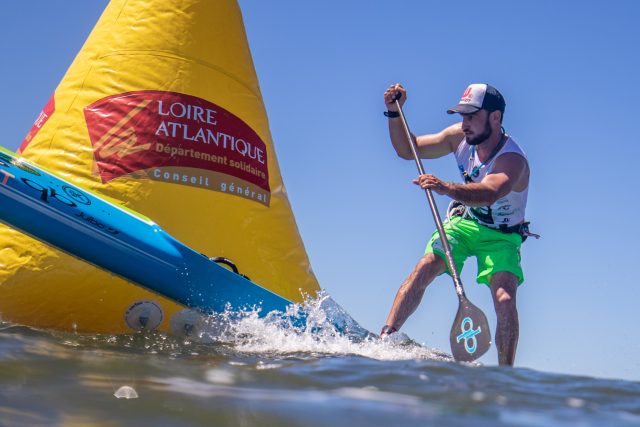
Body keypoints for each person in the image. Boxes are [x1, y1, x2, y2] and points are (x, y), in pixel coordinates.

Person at [380, 83, 533, 366]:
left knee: (504, 297)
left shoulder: (513, 160)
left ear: (495, 117)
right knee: (426, 266)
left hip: (502, 237)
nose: (464, 124)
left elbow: (490, 192)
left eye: (471, 116)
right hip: (464, 223)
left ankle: (504, 374)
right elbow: (407, 149)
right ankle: (385, 340)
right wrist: (394, 113)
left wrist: (446, 188)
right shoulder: (458, 137)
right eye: (462, 116)